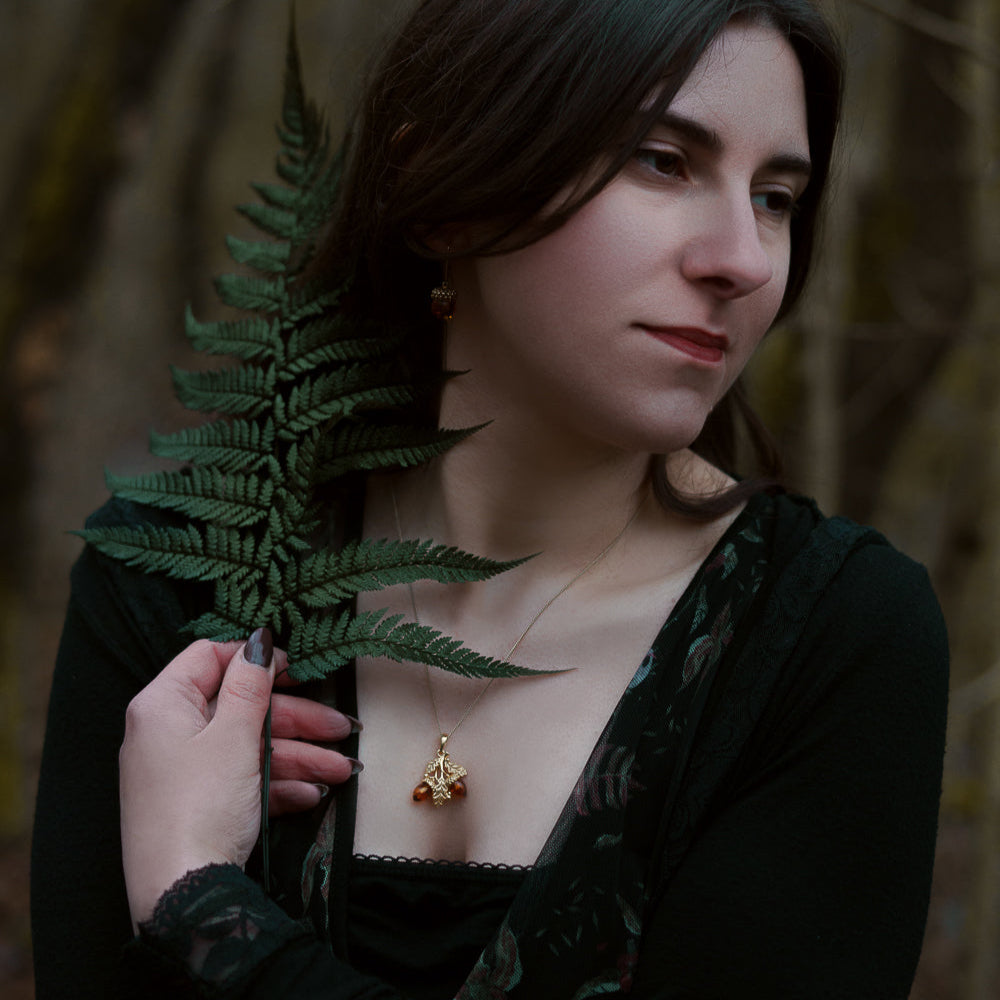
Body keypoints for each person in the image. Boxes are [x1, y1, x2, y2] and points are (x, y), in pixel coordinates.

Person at [31, 1, 950, 997]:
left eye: (775, 195)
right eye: (661, 159)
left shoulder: (828, 637)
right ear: (446, 199)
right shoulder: (177, 594)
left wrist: (198, 896)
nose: (744, 257)